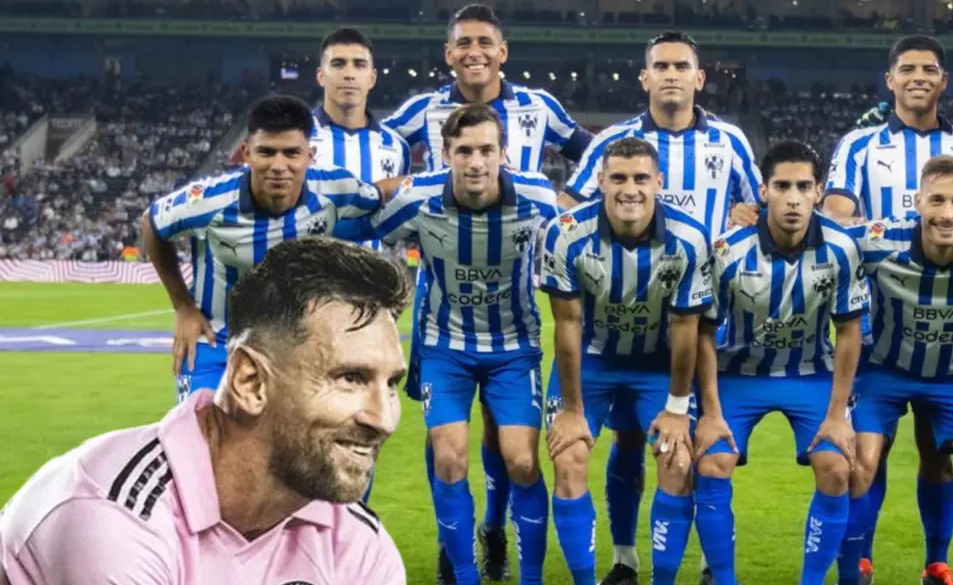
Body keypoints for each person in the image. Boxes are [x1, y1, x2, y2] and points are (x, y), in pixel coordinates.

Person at [0, 237, 412, 584]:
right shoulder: (113, 519)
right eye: (350, 379)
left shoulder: (358, 543)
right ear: (250, 382)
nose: (382, 419)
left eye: (391, 383)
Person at [382, 6, 593, 580]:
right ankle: (458, 564)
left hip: (514, 335)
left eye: (485, 42)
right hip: (440, 330)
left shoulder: (538, 164)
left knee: (520, 457)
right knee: (448, 451)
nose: (474, 51)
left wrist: (579, 204)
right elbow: (367, 203)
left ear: (503, 50)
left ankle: (496, 536)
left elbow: (592, 166)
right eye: (462, 43)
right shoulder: (421, 126)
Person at [558, 30, 761, 585]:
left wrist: (747, 216)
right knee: (629, 442)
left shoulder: (730, 141)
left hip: (699, 322)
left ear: (699, 78)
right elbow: (569, 205)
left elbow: (757, 207)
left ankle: (702, 559)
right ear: (644, 77)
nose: (671, 75)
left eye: (682, 66)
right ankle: (625, 559)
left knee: (695, 450)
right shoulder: (614, 142)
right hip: (615, 321)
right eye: (660, 66)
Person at [825, 34, 953, 585]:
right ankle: (861, 561)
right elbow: (837, 217)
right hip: (878, 329)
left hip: (949, 329)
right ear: (891, 79)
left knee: (937, 450)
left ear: (944, 81)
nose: (919, 76)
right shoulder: (860, 145)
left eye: (930, 69)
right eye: (908, 69)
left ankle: (938, 562)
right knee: (867, 454)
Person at [368, 103, 559, 585]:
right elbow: (372, 234)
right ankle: (463, 575)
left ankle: (528, 576)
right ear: (446, 155)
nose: (476, 162)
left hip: (514, 347)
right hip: (443, 345)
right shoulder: (419, 198)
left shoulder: (537, 198)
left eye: (486, 150)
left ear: (504, 154)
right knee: (449, 457)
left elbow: (576, 236)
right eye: (465, 151)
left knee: (521, 460)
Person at [141, 95, 401, 403]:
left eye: (292, 153)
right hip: (217, 342)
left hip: (292, 345)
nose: (279, 166)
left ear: (310, 155)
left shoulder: (335, 188)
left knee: (296, 444)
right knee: (202, 439)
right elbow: (152, 224)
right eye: (267, 152)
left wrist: (441, 182)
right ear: (246, 153)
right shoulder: (208, 202)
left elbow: (381, 193)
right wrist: (183, 307)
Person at [840, 155, 953, 585]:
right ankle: (856, 566)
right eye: (936, 200)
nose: (947, 213)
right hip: (882, 366)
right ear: (917, 202)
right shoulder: (878, 241)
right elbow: (820, 242)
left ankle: (947, 571)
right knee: (862, 461)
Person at [541, 137, 712, 585]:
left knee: (676, 461)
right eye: (618, 177)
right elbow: (567, 324)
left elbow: (685, 328)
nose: (629, 189)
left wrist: (677, 409)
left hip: (657, 365)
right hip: (591, 363)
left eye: (640, 178)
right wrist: (573, 411)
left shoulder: (689, 238)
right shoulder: (564, 232)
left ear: (658, 183)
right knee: (569, 456)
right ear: (600, 182)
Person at [693, 141, 866, 585]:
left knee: (837, 466)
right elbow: (704, 332)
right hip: (738, 374)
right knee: (712, 461)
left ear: (818, 191)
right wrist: (710, 413)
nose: (793, 198)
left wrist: (837, 415)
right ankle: (723, 579)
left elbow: (849, 333)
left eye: (803, 186)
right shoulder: (727, 250)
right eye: (782, 186)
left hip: (810, 375)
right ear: (763, 191)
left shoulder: (842, 247)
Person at [312, 27, 411, 251]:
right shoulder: (297, 139)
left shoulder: (395, 146)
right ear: (321, 76)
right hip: (309, 280)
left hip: (377, 282)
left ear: (372, 78)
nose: (349, 74)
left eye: (359, 65)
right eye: (338, 64)